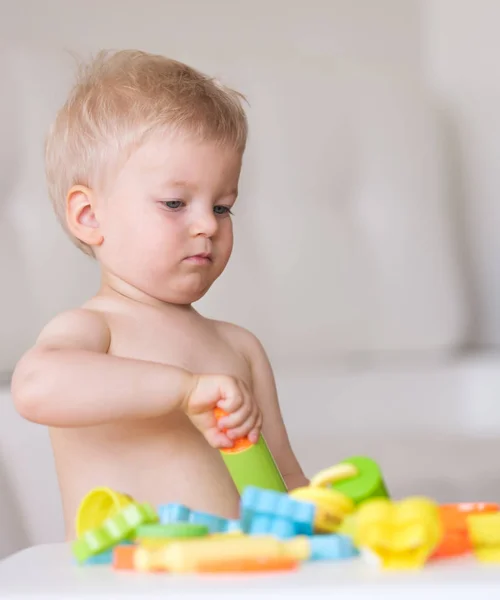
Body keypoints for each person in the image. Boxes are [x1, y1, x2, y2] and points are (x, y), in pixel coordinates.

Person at [11, 49, 307, 539]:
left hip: (244, 577)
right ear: (89, 216)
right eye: (175, 203)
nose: (207, 224)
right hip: (128, 581)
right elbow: (35, 387)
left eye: (223, 206)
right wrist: (183, 391)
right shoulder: (94, 330)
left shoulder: (239, 348)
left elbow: (285, 481)